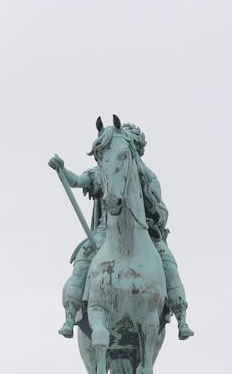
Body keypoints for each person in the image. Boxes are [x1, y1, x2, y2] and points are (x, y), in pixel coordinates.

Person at [49, 121, 192, 341]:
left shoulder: (148, 176)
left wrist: (153, 225)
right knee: (84, 255)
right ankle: (71, 312)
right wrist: (62, 169)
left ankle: (181, 314)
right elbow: (77, 180)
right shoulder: (103, 169)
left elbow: (160, 209)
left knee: (167, 259)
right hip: (106, 230)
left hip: (144, 232)